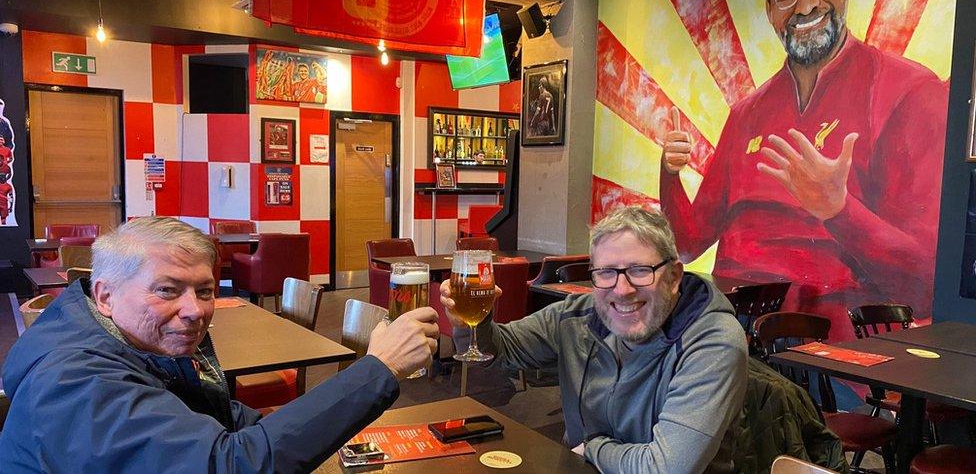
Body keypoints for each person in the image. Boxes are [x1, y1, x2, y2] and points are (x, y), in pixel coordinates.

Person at [660, 0, 947, 337]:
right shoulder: (745, 115)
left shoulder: (909, 92)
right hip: (731, 336)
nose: (807, 3)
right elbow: (687, 245)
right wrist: (669, 175)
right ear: (770, 9)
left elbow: (926, 285)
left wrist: (839, 211)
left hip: (833, 357)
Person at [0, 217, 440, 472]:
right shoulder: (77, 382)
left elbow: (221, 417)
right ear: (105, 296)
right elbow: (231, 465)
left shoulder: (130, 346)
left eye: (205, 291)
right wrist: (379, 367)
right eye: (167, 290)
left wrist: (322, 423)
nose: (195, 310)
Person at [440, 206, 747, 472]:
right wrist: (472, 325)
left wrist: (593, 449)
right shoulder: (578, 316)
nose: (622, 289)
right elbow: (504, 351)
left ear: (674, 276)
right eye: (606, 273)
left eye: (640, 271)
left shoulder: (713, 341)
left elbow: (666, 467)